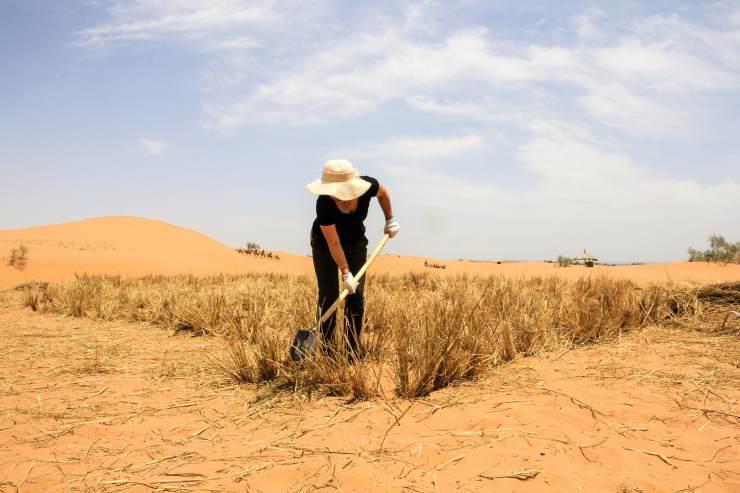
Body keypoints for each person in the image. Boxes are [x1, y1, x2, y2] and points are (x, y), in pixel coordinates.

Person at [306, 159, 399, 358]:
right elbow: (333, 243)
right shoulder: (324, 203)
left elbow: (383, 193)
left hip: (355, 242)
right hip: (325, 245)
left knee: (355, 296)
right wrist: (345, 272)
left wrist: (389, 219)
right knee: (328, 296)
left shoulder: (368, 186)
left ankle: (351, 352)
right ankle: (328, 352)